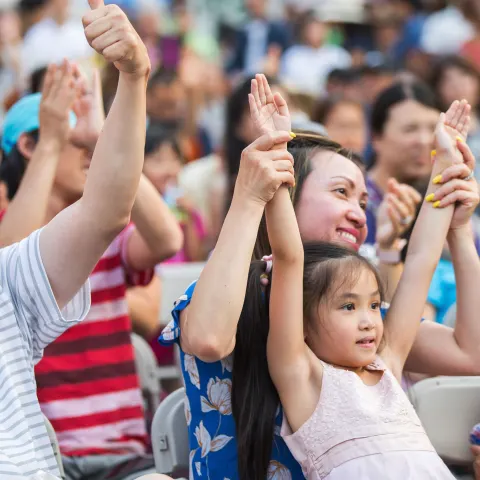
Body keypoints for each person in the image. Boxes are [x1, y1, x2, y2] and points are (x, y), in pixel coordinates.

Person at [160, 74, 480, 479]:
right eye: (341, 192)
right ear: (285, 190)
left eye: (364, 201)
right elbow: (209, 338)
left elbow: (470, 350)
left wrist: (458, 227)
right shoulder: (229, 289)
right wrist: (256, 187)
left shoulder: (363, 323)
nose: (358, 213)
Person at [0, 5, 183, 480]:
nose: (89, 156)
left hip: (122, 454)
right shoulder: (12, 232)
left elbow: (160, 235)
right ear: (28, 145)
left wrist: (107, 131)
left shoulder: (101, 233)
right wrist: (53, 142)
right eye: (74, 145)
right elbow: (11, 260)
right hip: (60, 457)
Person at [263, 91, 468, 480]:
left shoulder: (388, 362)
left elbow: (422, 258)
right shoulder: (300, 377)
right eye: (347, 306)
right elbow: (288, 256)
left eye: (374, 305)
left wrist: (445, 160)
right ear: (302, 322)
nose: (369, 320)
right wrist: (276, 152)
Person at [280, 9, 351, 97]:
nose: (314, 32)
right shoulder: (292, 55)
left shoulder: (339, 55)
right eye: (311, 28)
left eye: (318, 27)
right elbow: (286, 84)